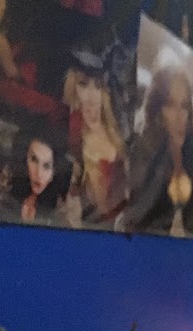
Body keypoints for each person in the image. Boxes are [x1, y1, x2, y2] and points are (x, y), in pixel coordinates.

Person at [120, 63, 193, 236]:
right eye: (170, 105)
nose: (180, 116)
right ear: (156, 109)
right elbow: (134, 215)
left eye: (184, 105)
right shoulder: (140, 151)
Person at [63, 53, 127, 225]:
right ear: (73, 88)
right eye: (83, 85)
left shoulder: (117, 130)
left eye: (98, 86)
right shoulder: (72, 139)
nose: (92, 96)